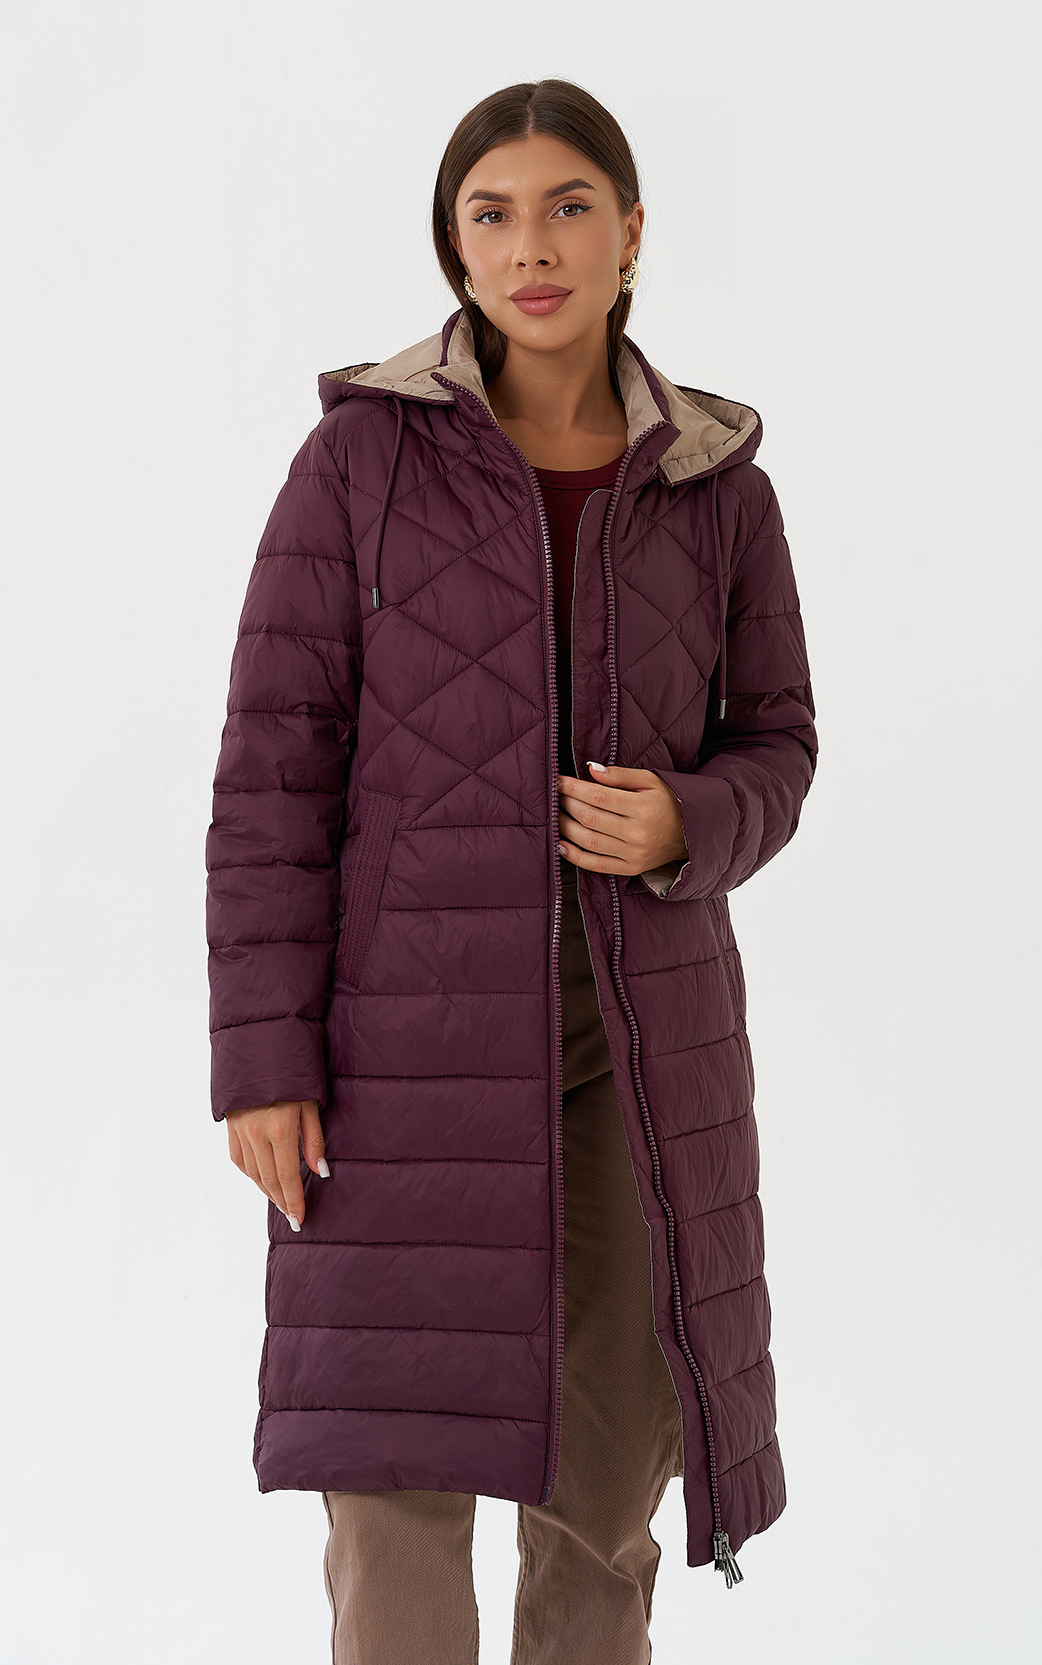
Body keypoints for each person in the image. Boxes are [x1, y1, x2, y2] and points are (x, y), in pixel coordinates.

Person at [205, 77, 818, 1665]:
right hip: (394, 1052)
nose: (530, 247)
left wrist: (690, 820)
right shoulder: (356, 463)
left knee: (604, 1494)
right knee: (388, 1495)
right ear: (453, 244)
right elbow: (272, 774)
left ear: (629, 234)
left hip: (635, 1050)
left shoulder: (718, 487)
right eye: (492, 214)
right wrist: (263, 1061)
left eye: (566, 208)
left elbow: (779, 743)